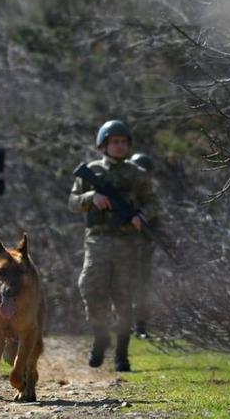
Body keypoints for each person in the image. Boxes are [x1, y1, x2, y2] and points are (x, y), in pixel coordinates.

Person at [68, 120, 157, 372]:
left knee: (124, 297)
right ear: (104, 144)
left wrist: (142, 216)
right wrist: (91, 198)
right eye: (114, 142)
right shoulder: (92, 171)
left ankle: (121, 354)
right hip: (98, 240)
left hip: (127, 243)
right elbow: (72, 202)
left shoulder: (137, 174)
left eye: (123, 142)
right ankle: (100, 336)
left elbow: (153, 202)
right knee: (91, 288)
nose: (119, 146)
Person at [128, 152, 156, 338]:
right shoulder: (126, 192)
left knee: (142, 286)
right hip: (122, 246)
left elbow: (155, 216)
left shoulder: (149, 196)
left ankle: (140, 325)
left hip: (143, 247)